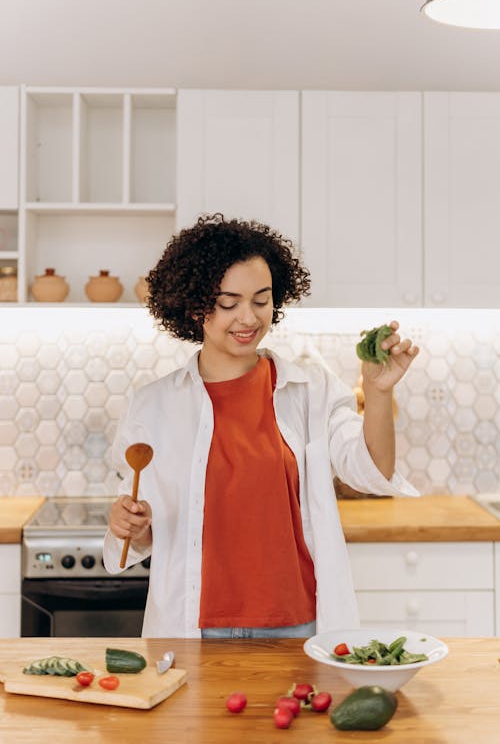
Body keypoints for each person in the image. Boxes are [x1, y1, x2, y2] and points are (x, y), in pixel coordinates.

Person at [103, 213, 419, 639]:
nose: (248, 318)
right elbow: (138, 521)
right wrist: (131, 525)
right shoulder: (154, 405)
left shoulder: (310, 390)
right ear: (196, 305)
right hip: (192, 628)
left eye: (261, 300)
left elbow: (373, 471)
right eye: (228, 302)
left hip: (298, 625)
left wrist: (379, 393)